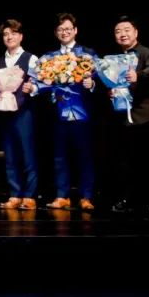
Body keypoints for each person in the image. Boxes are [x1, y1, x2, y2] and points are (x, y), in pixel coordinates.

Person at [42, 13, 99, 210]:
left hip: (82, 112)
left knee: (85, 155)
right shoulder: (49, 57)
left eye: (68, 29)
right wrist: (44, 86)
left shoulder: (88, 54)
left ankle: (86, 196)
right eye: (60, 30)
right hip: (58, 113)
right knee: (59, 156)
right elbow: (42, 83)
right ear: (56, 33)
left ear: (75, 30)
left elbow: (101, 80)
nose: (64, 32)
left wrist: (92, 84)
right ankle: (62, 195)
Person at [108, 17, 149, 214]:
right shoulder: (114, 59)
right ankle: (128, 200)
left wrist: (139, 75)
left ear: (136, 32)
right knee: (124, 163)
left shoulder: (148, 53)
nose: (122, 34)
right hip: (122, 117)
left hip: (143, 116)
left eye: (126, 30)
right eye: (118, 31)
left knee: (146, 162)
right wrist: (111, 91)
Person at [0, 20, 39, 211]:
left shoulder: (31, 58)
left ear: (21, 36)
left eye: (13, 33)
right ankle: (14, 194)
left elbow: (39, 84)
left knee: (27, 153)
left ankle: (29, 196)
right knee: (10, 154)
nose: (9, 37)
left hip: (24, 111)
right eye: (6, 34)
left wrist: (32, 88)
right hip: (5, 113)